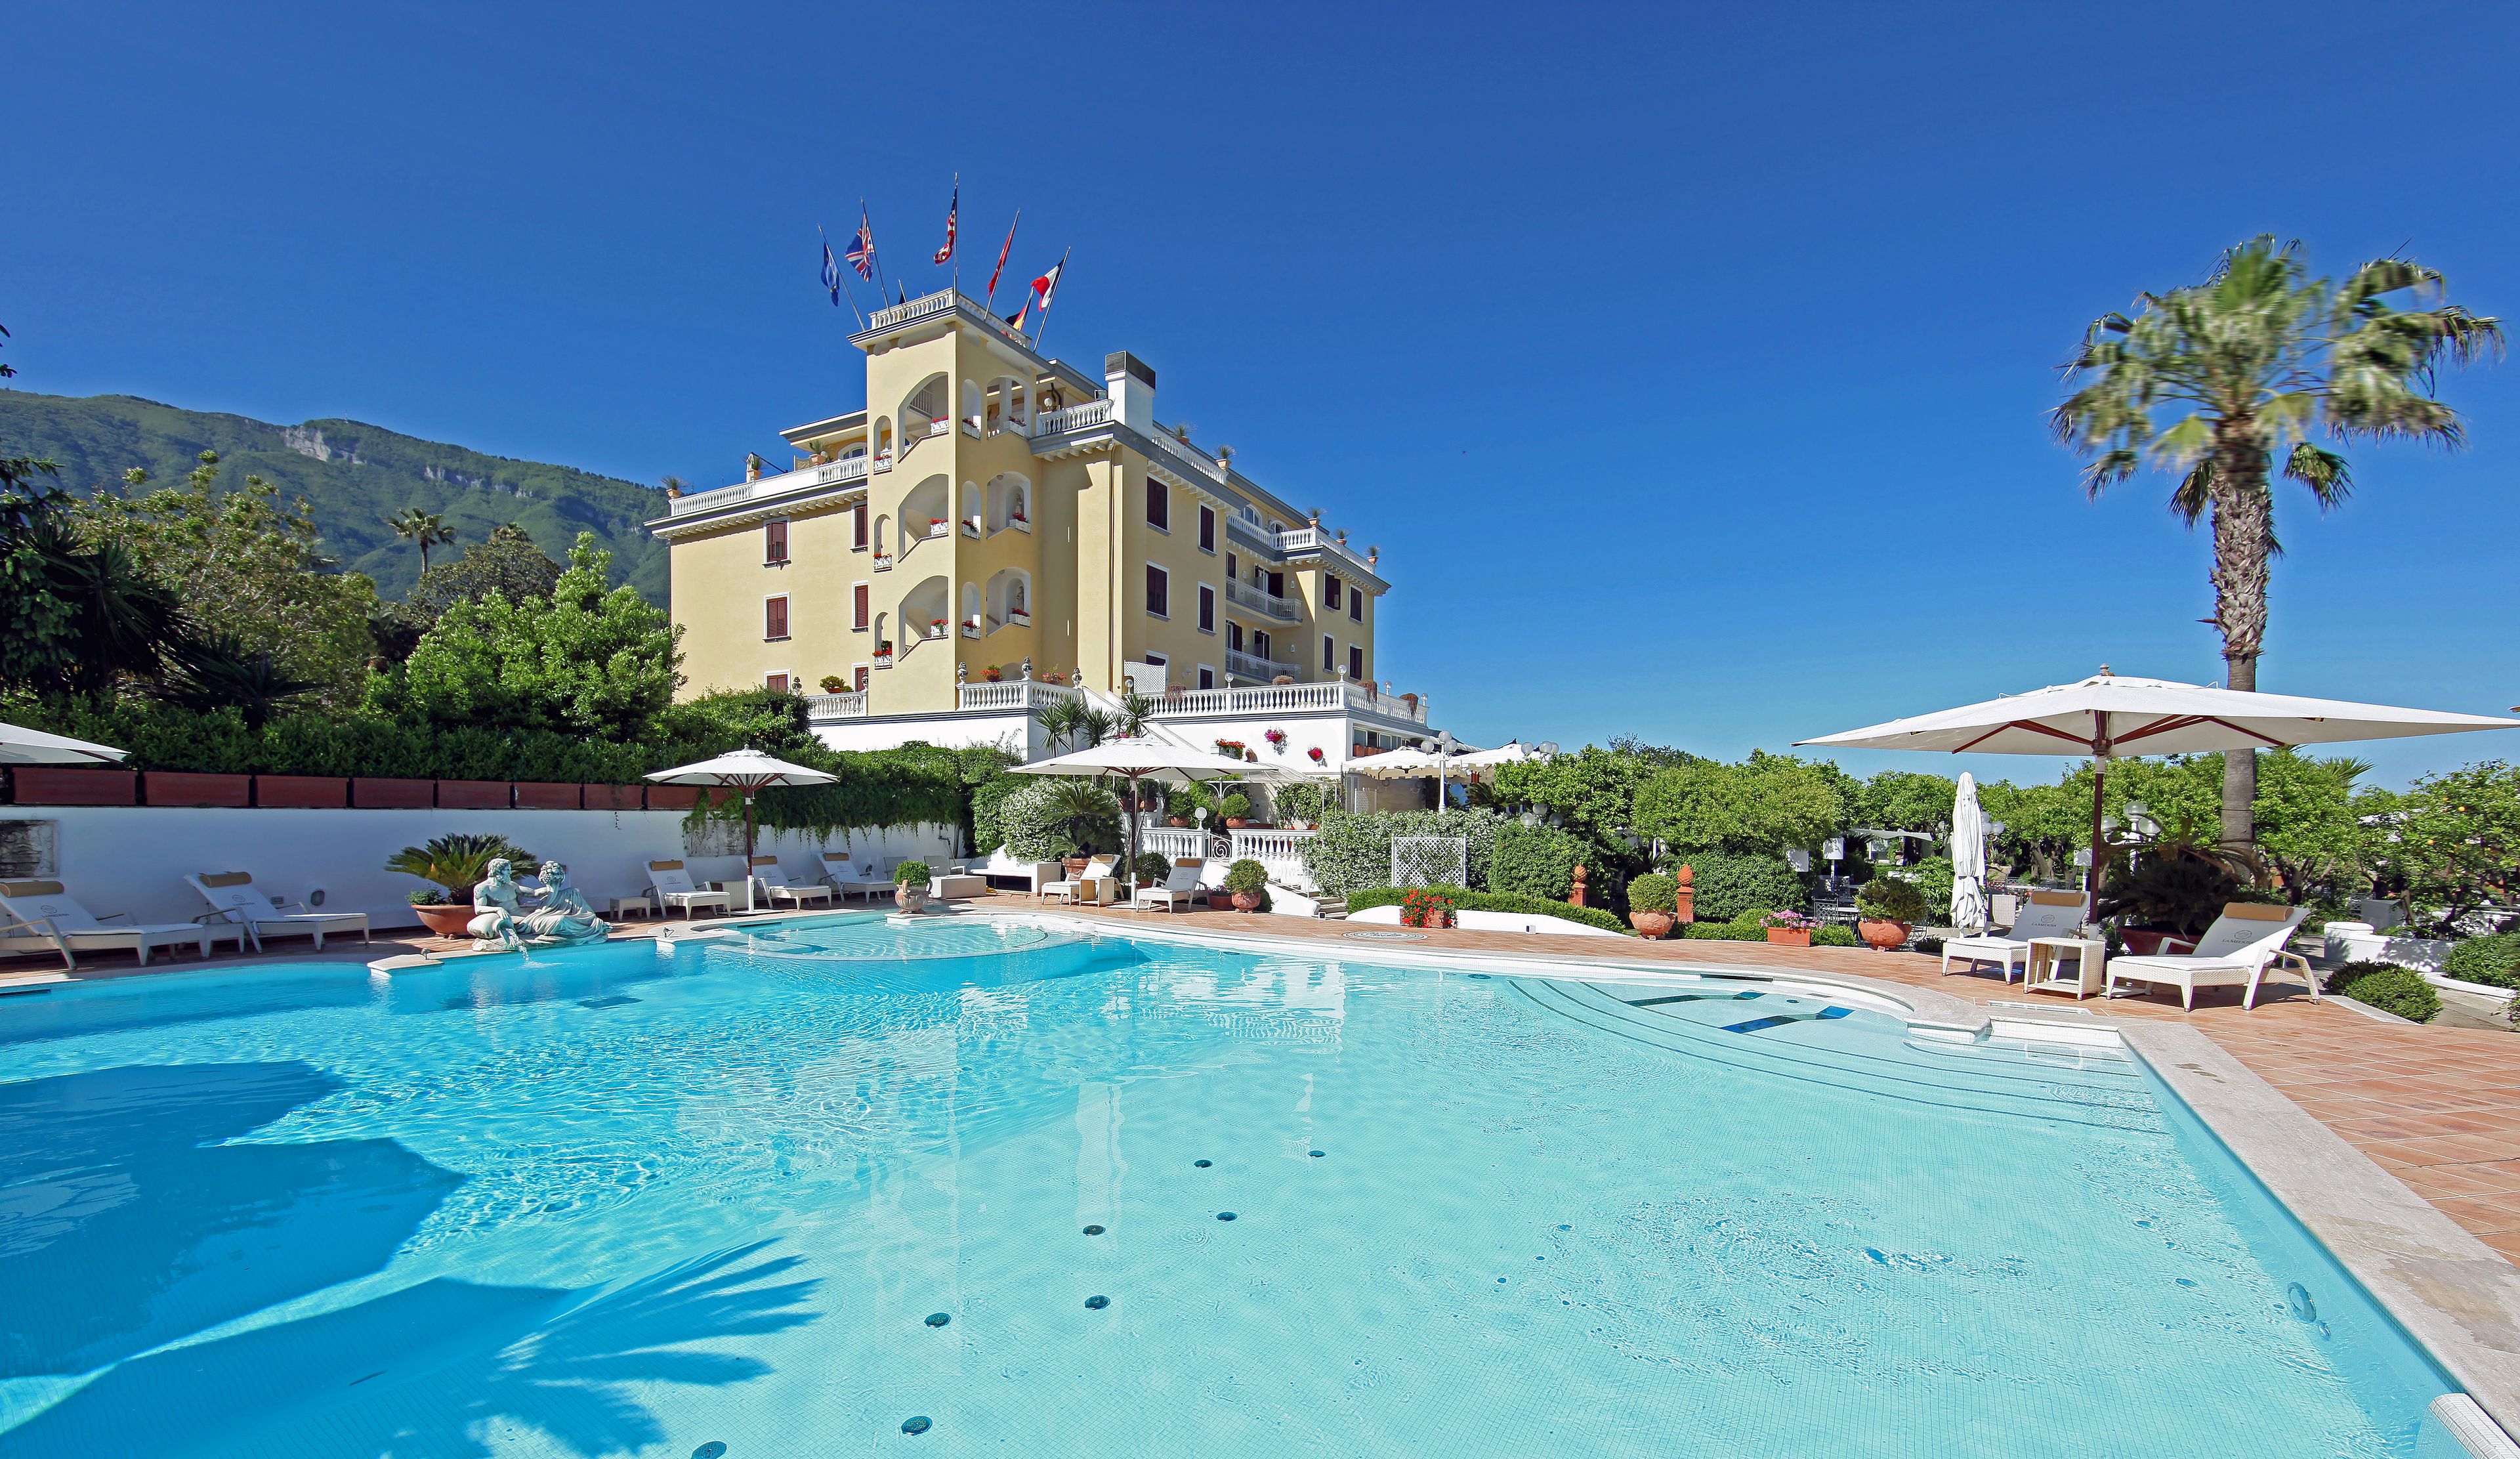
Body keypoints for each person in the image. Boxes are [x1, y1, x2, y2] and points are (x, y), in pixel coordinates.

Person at [468, 858, 610, 950]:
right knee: (560, 920)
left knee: (572, 893)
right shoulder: (483, 888)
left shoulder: (511, 885)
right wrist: (498, 910)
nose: (510, 873)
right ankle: (590, 930)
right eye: (507, 870)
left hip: (529, 918)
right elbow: (479, 909)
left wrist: (550, 886)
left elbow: (533, 894)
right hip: (512, 921)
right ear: (497, 871)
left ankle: (593, 925)